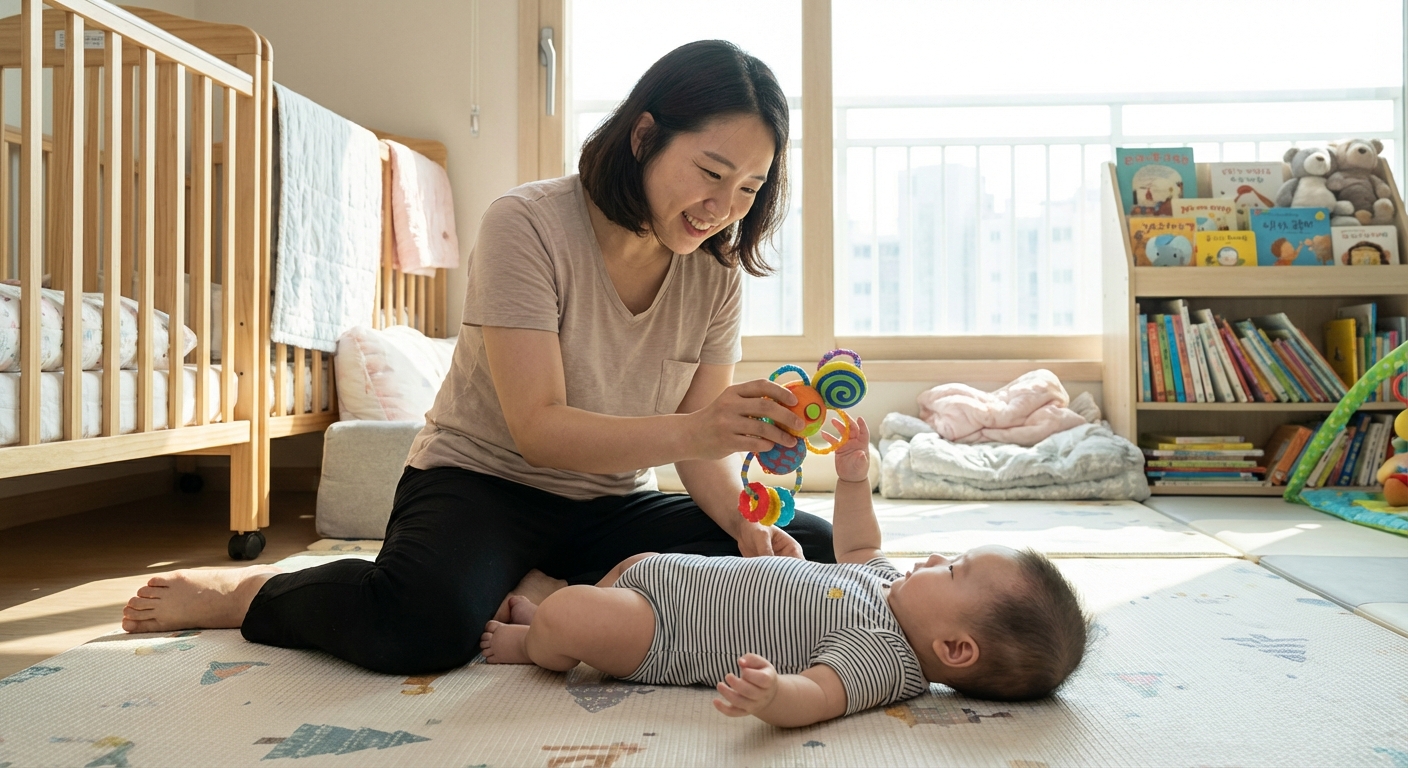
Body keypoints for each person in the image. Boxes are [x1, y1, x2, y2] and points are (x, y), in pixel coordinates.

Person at [119, 40, 839, 674]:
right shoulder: (527, 224)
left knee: (805, 550)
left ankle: (539, 586)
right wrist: (698, 430)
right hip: (481, 483)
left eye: (748, 187)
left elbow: (695, 453)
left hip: (606, 506)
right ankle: (250, 593)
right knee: (421, 628)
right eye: (711, 171)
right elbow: (540, 428)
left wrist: (743, 523)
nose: (724, 206)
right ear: (645, 137)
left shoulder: (714, 275)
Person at [480, 417, 1091, 727]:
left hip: (663, 632)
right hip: (670, 576)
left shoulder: (885, 658)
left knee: (571, 617)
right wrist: (853, 477)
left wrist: (773, 694)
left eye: (952, 572)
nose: (933, 560)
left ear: (954, 649)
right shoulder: (883, 584)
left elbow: (821, 695)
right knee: (629, 566)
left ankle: (533, 641)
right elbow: (856, 545)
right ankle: (552, 617)